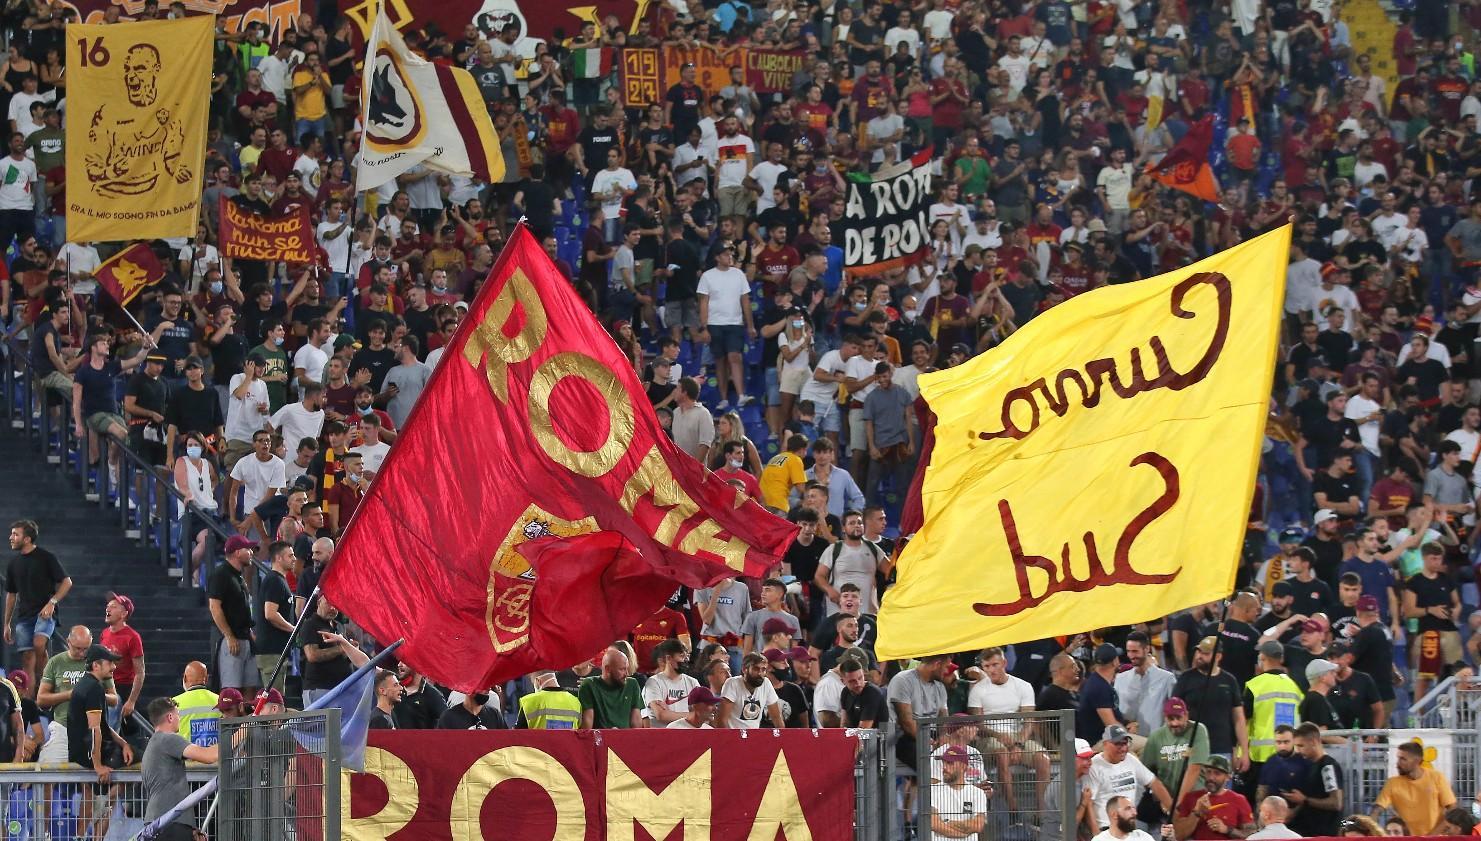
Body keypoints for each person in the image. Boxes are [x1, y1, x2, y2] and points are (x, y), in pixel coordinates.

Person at [5, 518, 70, 694]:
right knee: (27, 658)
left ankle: (48, 682)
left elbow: (66, 582)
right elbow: (11, 594)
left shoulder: (46, 557)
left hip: (45, 613)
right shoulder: (13, 564)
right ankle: (30, 701)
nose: (11, 537)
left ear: (27, 539)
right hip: (24, 615)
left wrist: (52, 603)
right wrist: (6, 623)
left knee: (39, 644)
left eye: (15, 534)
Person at [142, 697, 220, 841]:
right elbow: (209, 756)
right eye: (178, 714)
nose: (179, 718)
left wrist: (188, 828)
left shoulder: (153, 744)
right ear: (170, 717)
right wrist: (240, 732)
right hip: (170, 824)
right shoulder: (168, 739)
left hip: (158, 824)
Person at [1087, 724, 1173, 831]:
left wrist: (1173, 810)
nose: (1123, 748)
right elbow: (1088, 804)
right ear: (1105, 744)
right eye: (1118, 744)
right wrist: (1097, 836)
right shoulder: (1095, 766)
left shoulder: (1130, 760)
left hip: (1129, 827)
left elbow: (1154, 783)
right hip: (1106, 829)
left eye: (1125, 743)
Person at [67, 644, 132, 784]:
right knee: (142, 760)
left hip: (83, 754)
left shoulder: (87, 684)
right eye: (110, 663)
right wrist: (97, 766)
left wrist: (123, 743)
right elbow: (94, 729)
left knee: (90, 796)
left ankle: (104, 803)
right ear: (96, 665)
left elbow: (102, 725)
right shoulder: (93, 688)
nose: (114, 667)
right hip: (88, 757)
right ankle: (107, 802)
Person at [208, 535, 259, 694]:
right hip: (231, 640)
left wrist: (250, 633)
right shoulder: (221, 574)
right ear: (237, 552)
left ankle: (248, 720)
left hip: (245, 639)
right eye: (248, 549)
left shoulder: (238, 576)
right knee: (232, 693)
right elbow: (214, 607)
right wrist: (229, 636)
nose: (251, 552)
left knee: (250, 689)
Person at [1371, 740, 1456, 834]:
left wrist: (1433, 835)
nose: (1398, 764)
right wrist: (1371, 827)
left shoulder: (1436, 777)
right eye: (1398, 758)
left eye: (1403, 759)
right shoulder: (1392, 783)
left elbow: (1453, 809)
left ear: (1417, 761)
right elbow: (1377, 809)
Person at [1172, 755, 1255, 840]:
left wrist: (1227, 830)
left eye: (1217, 773)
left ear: (1228, 777)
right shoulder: (1190, 798)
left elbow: (1252, 835)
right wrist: (1196, 813)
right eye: (1208, 772)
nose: (1211, 777)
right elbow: (1178, 835)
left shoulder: (1239, 800)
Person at [1283, 722, 1344, 837]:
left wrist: (1304, 800)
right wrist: (1293, 812)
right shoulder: (1312, 766)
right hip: (1311, 831)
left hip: (1325, 833)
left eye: (1301, 746)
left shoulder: (1327, 767)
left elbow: (1336, 803)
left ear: (1314, 742)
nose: (1297, 750)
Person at [931, 745, 989, 841]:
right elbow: (933, 823)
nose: (944, 767)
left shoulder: (977, 793)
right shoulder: (933, 790)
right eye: (944, 763)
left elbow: (978, 825)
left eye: (950, 763)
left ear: (963, 766)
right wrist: (960, 834)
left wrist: (947, 822)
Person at [579, 646, 643, 728]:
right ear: (607, 669)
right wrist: (610, 735)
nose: (626, 673)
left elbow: (636, 724)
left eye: (627, 668)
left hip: (626, 738)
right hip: (600, 739)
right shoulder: (589, 685)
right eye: (622, 669)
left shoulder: (632, 684)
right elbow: (587, 727)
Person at [719, 652, 784, 728]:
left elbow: (777, 718)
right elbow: (722, 720)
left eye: (763, 670)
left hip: (754, 737)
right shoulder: (732, 683)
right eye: (756, 669)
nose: (760, 673)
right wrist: (729, 739)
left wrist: (783, 738)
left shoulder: (766, 683)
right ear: (744, 669)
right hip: (734, 736)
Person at [172, 661, 221, 747]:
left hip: (186, 758)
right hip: (216, 758)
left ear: (184, 678)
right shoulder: (220, 700)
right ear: (206, 679)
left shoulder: (174, 703)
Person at [516, 671, 582, 730]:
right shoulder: (575, 701)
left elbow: (517, 734)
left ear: (538, 681)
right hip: (567, 743)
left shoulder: (529, 701)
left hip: (537, 743)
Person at [1094, 795, 1158, 841]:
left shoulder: (1143, 837)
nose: (1134, 813)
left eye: (1133, 808)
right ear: (1114, 815)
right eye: (1128, 809)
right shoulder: (1099, 839)